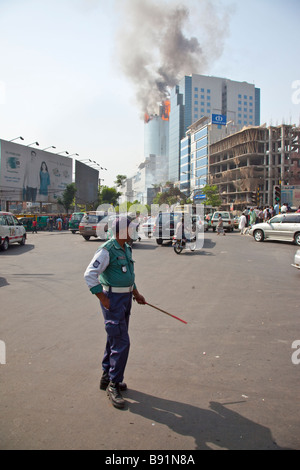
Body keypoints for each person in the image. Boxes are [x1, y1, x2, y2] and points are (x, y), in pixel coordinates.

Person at [84, 216, 146, 409]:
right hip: (114, 300)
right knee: (122, 341)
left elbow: (128, 275)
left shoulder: (126, 247)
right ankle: (114, 384)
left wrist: (136, 293)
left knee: (114, 338)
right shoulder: (107, 250)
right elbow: (89, 275)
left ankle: (106, 377)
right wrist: (103, 298)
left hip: (126, 299)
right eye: (131, 228)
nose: (134, 231)